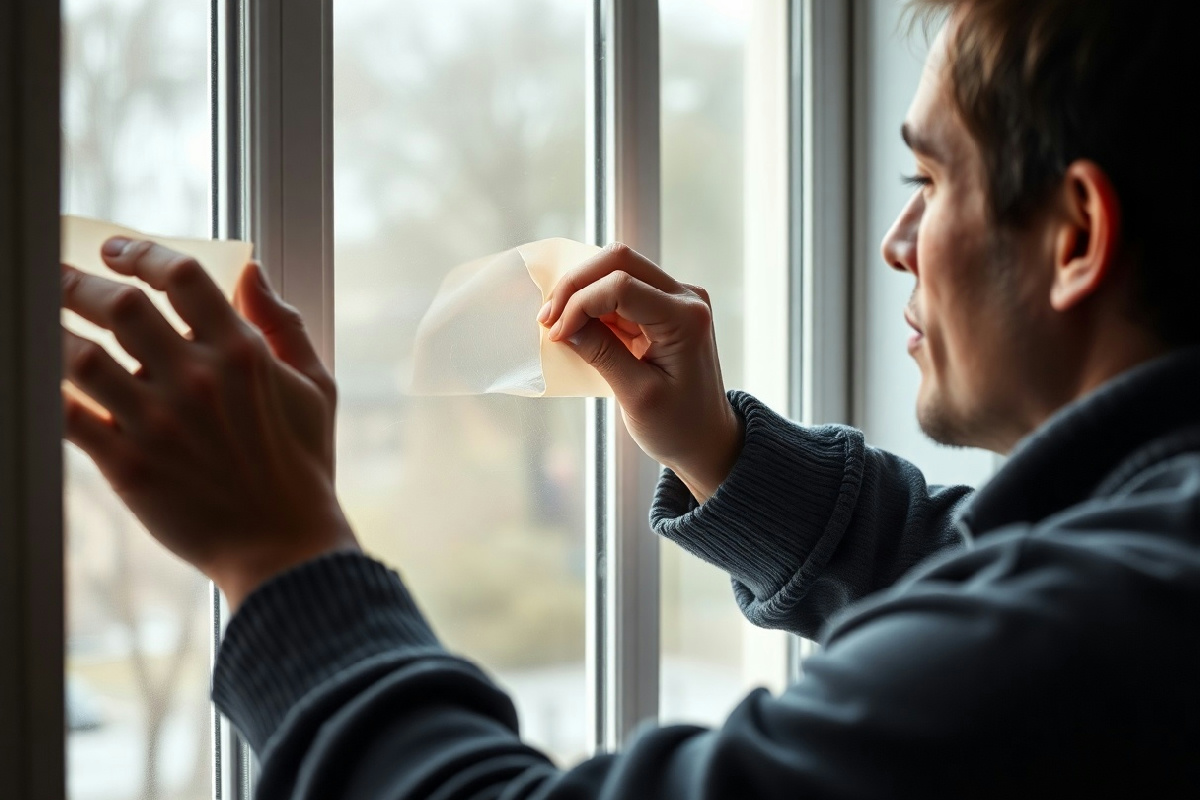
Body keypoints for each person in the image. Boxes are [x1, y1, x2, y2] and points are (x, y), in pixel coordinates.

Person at [61, 0, 1200, 796]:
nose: (897, 242)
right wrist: (720, 450)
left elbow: (1017, 624)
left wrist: (281, 553)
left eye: (929, 179)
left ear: (1077, 234)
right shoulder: (1149, 539)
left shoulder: (1087, 627)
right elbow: (979, 561)